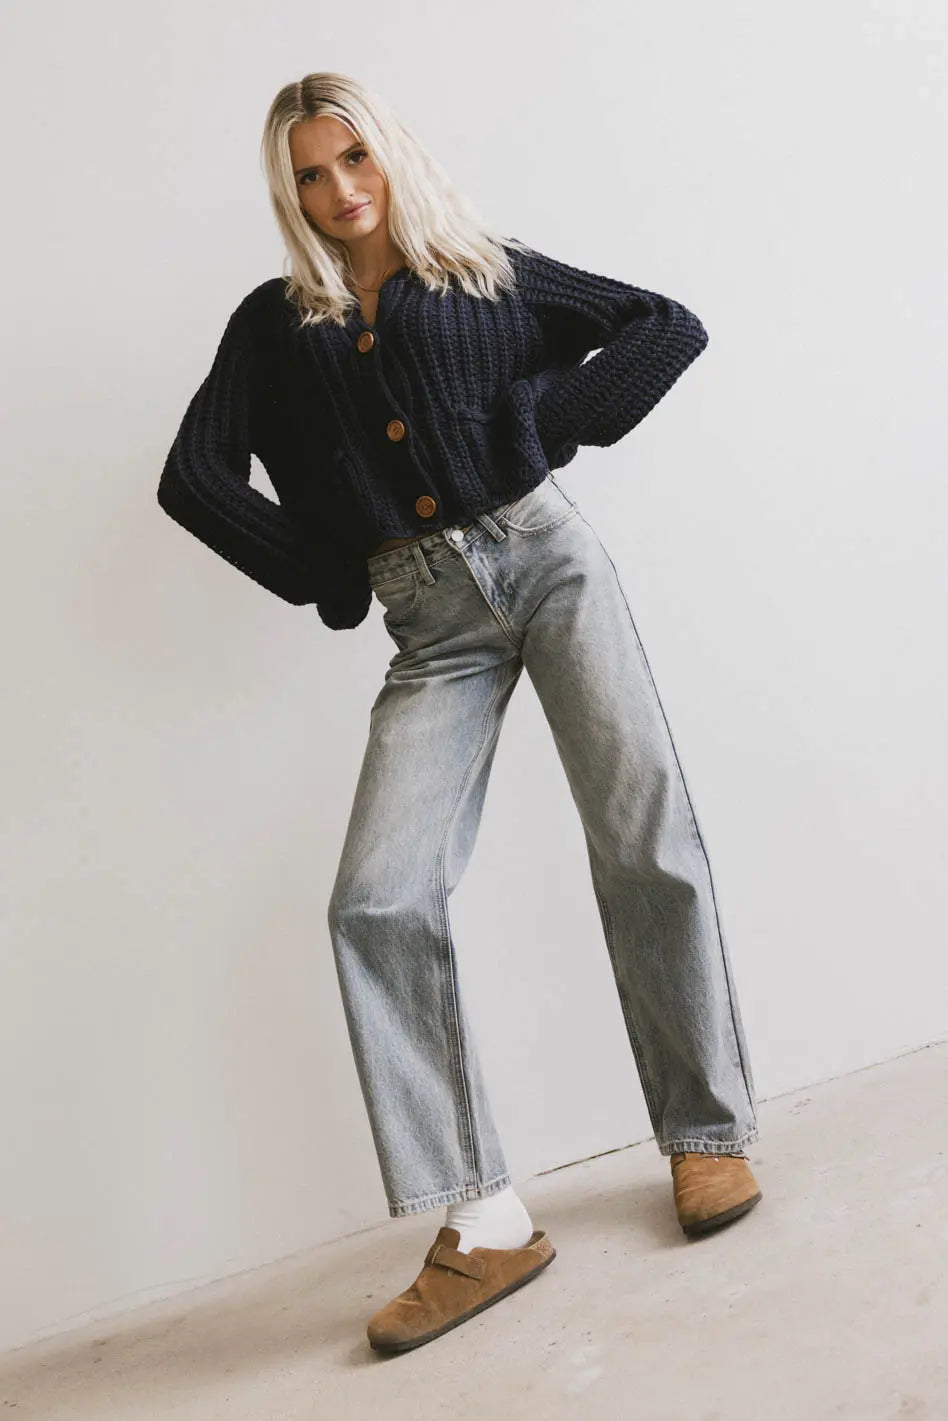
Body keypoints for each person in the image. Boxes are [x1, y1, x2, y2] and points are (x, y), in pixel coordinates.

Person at [157, 71, 763, 1354]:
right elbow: (195, 474)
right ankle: (483, 1220)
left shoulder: (482, 268)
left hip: (549, 563)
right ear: (288, 191)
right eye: (309, 174)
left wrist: (536, 423)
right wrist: (324, 568)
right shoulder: (277, 323)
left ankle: (705, 1133)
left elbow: (663, 325)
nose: (339, 190)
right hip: (429, 623)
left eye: (354, 158)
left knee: (641, 833)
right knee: (376, 899)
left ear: (390, 154)